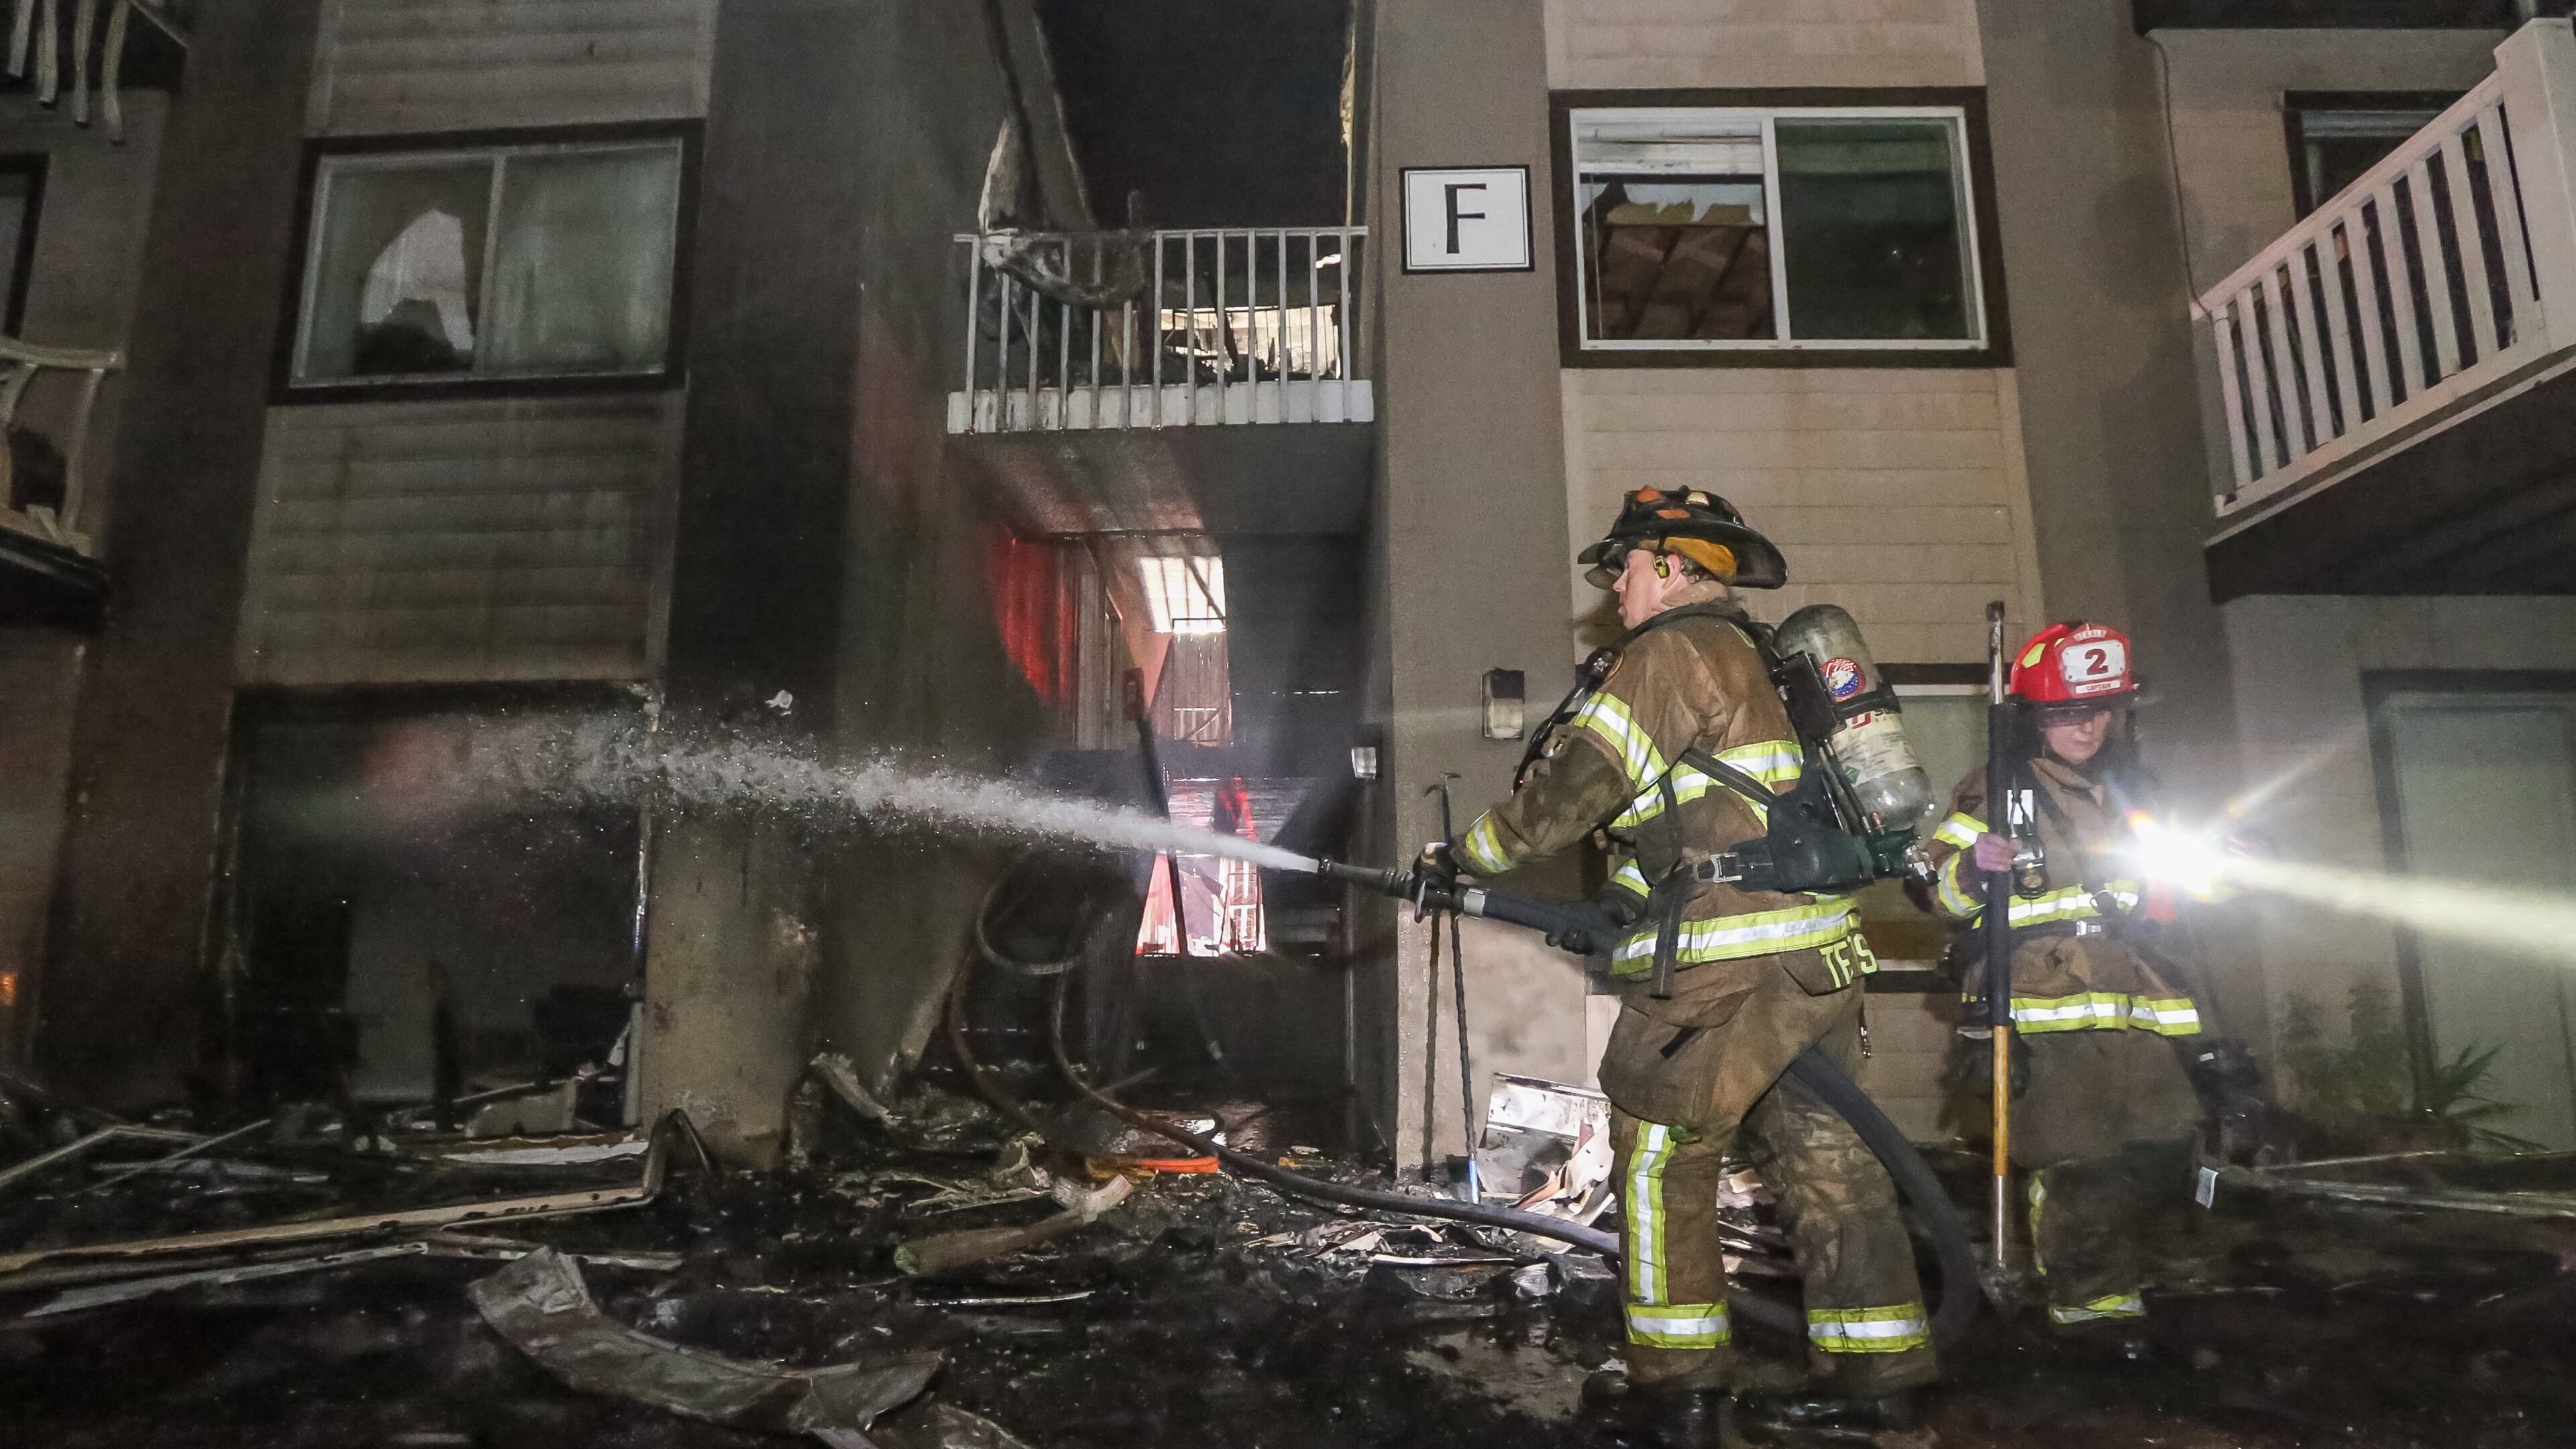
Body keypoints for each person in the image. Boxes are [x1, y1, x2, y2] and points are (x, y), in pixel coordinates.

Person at [1439, 488, 1935, 1446]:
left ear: (1671, 566)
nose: (1614, 589)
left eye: (1622, 568)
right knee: (1829, 1166)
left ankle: (1678, 1390)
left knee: (1664, 1162)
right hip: (1819, 962)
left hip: (1729, 969)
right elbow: (1710, 817)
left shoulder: (1670, 653)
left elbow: (1567, 797)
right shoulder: (1759, 660)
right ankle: (1882, 1378)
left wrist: (1462, 857)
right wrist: (1621, 904)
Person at [1919, 621, 2205, 1351]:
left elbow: (2172, 893)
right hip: (2045, 1007)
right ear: (2036, 717)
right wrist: (1973, 869)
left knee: (2165, 1145)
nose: (2088, 725)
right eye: (2069, 711)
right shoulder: (1999, 789)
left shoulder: (2126, 791)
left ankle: (2136, 1282)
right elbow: (1941, 898)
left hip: (2134, 996)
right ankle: (2090, 1315)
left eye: (2102, 708)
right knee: (2080, 1159)